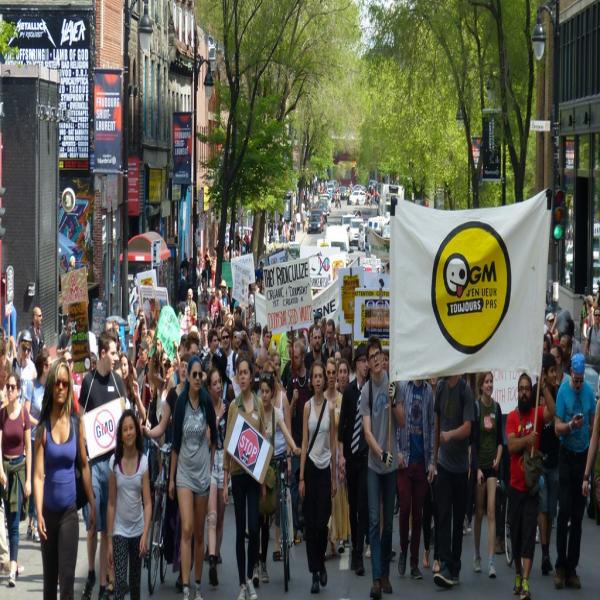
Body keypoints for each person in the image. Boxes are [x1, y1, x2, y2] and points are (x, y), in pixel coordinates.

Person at [34, 359, 95, 600]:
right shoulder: (42, 429)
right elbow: (38, 476)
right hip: (48, 515)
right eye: (57, 383)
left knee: (67, 583)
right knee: (50, 586)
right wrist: (38, 513)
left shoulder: (76, 423)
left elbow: (83, 464)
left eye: (65, 383)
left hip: (70, 513)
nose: (60, 387)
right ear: (51, 386)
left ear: (70, 388)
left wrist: (92, 503)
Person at [80, 331, 127, 600]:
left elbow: (124, 422)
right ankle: (91, 573)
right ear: (101, 353)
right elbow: (83, 421)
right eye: (111, 353)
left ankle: (108, 580)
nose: (115, 357)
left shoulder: (119, 383)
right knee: (92, 525)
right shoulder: (88, 383)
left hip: (112, 465)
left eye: (117, 353)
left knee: (109, 527)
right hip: (93, 465)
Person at [169, 356, 216, 600]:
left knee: (198, 533)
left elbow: (215, 438)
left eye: (200, 375)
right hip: (184, 474)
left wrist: (211, 463)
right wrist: (171, 479)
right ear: (187, 377)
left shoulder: (207, 402)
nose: (197, 378)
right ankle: (185, 585)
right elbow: (175, 443)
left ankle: (197, 585)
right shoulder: (181, 404)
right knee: (186, 528)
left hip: (202, 474)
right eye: (193, 374)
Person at [506, 372, 555, 600]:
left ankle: (525, 582)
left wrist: (544, 388)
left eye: (527, 388)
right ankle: (518, 574)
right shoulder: (513, 417)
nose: (524, 392)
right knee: (515, 538)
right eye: (521, 389)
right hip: (515, 487)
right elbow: (512, 446)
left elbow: (553, 413)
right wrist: (528, 440)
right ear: (517, 392)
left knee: (527, 537)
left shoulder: (536, 413)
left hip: (531, 488)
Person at [223, 354, 265, 600]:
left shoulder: (259, 405)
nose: (243, 376)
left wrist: (262, 480)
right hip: (238, 475)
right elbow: (229, 442)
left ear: (251, 375)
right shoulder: (233, 407)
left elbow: (263, 441)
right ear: (237, 377)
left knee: (254, 528)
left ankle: (250, 577)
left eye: (246, 372)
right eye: (239, 373)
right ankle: (241, 583)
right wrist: (226, 477)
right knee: (240, 530)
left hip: (253, 477)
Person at [361, 337, 401, 599]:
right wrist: (380, 453)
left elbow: (402, 422)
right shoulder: (367, 391)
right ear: (368, 361)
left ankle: (385, 573)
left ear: (383, 357)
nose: (376, 359)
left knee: (388, 526)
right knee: (374, 522)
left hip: (392, 466)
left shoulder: (393, 384)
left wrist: (395, 401)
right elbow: (366, 431)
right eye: (371, 356)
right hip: (375, 465)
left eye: (378, 355)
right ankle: (376, 578)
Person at [553, 352, 595, 589]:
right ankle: (560, 564)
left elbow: (592, 428)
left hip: (582, 456)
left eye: (580, 381)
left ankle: (572, 568)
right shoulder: (563, 392)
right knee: (565, 511)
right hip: (566, 454)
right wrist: (570, 425)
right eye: (575, 380)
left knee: (578, 516)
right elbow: (557, 427)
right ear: (571, 374)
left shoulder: (588, 392)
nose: (578, 385)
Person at [257, 371, 299, 585]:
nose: (264, 395)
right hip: (261, 467)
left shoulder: (276, 414)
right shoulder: (255, 414)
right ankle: (260, 563)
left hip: (276, 462)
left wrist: (294, 448)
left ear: (272, 393)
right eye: (261, 391)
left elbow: (286, 432)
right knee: (262, 518)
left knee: (278, 506)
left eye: (267, 392)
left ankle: (283, 538)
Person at [432, 375, 474, 589]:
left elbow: (468, 428)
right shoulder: (440, 388)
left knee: (458, 519)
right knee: (442, 514)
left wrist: (449, 435)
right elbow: (436, 423)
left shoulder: (465, 390)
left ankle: (454, 567)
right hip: (443, 464)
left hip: (460, 467)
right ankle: (446, 563)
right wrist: (433, 459)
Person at [299, 361, 337, 594]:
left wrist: (334, 476)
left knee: (322, 522)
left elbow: (332, 443)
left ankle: (321, 560)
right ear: (312, 380)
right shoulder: (306, 407)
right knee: (311, 525)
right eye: (314, 377)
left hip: (325, 470)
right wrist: (301, 476)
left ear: (324, 380)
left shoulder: (331, 408)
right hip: (311, 468)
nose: (317, 380)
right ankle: (315, 571)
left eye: (320, 376)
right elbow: (304, 441)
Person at [106, 411, 151, 600]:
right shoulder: (114, 464)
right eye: (125, 430)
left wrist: (146, 534)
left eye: (131, 428)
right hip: (119, 530)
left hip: (138, 530)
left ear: (136, 431)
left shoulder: (144, 462)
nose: (129, 432)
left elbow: (148, 503)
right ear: (121, 435)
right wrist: (109, 541)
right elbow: (110, 504)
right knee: (120, 585)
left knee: (135, 585)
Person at [394, 378, 435, 580]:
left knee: (418, 514)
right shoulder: (402, 387)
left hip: (422, 461)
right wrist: (397, 451)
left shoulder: (428, 391)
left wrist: (432, 461)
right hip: (405, 461)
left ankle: (414, 562)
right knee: (404, 509)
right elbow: (394, 420)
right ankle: (403, 549)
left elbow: (431, 425)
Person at [338, 345, 369, 576]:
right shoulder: (349, 393)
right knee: (353, 507)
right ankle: (356, 545)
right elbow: (343, 429)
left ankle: (359, 553)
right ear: (356, 364)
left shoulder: (372, 390)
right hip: (351, 455)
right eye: (363, 361)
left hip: (367, 456)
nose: (367, 365)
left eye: (369, 361)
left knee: (363, 505)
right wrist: (341, 457)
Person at [0, 373, 31, 586]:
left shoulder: (23, 414)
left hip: (19, 469)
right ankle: (10, 562)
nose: (9, 390)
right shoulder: (1, 414)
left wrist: (28, 480)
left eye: (13, 387)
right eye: (7, 387)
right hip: (4, 468)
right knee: (4, 519)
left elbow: (28, 447)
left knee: (13, 520)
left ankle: (12, 565)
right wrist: (0, 470)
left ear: (18, 390)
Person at [471, 372, 503, 578]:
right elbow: (472, 441)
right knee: (480, 512)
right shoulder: (476, 407)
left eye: (492, 382)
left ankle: (491, 561)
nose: (490, 385)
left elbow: (500, 440)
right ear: (481, 386)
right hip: (479, 466)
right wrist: (477, 468)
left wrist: (498, 459)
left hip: (492, 466)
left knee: (492, 511)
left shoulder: (497, 408)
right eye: (487, 382)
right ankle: (477, 555)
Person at [537, 353, 560, 575]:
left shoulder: (558, 392)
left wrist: (548, 389)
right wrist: (542, 388)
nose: (555, 375)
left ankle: (545, 548)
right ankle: (544, 553)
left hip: (555, 459)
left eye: (556, 371)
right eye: (551, 371)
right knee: (543, 507)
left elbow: (555, 413)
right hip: (539, 460)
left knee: (551, 510)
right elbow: (545, 415)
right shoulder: (534, 391)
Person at [286, 339, 311, 543]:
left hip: (309, 438)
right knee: (295, 481)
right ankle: (296, 526)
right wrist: (293, 400)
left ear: (302, 357)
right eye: (292, 357)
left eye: (296, 357)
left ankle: (307, 520)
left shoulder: (310, 378)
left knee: (307, 481)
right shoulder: (291, 379)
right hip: (295, 438)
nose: (293, 360)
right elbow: (288, 413)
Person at [324, 358, 349, 557]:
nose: (332, 376)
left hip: (338, 452)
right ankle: (328, 541)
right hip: (324, 453)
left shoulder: (342, 398)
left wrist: (341, 457)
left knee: (338, 498)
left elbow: (343, 431)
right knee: (327, 499)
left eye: (335, 373)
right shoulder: (322, 399)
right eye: (330, 372)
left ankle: (336, 538)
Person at [206, 368, 228, 586]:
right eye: (214, 383)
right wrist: (215, 419)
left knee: (220, 517)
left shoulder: (229, 409)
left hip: (225, 463)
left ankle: (216, 551)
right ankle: (211, 559)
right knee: (211, 516)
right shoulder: (206, 409)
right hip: (210, 460)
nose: (218, 386)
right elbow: (207, 437)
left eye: (219, 382)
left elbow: (232, 438)